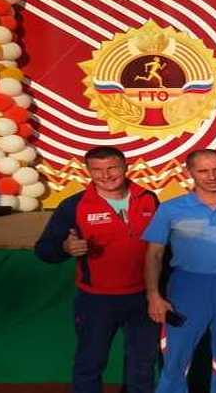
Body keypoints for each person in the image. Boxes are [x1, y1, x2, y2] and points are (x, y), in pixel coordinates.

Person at [34, 146, 159, 393]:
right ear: (88, 172)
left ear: (125, 167)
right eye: (97, 170)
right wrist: (65, 247)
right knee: (90, 363)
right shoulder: (74, 205)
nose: (106, 175)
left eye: (112, 167)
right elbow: (44, 249)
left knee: (142, 365)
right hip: (97, 300)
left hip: (144, 297)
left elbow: (161, 247)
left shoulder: (148, 198)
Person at [142, 149, 216, 393]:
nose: (211, 176)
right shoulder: (170, 208)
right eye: (203, 171)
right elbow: (154, 255)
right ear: (190, 173)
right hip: (186, 287)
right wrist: (153, 295)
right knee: (176, 357)